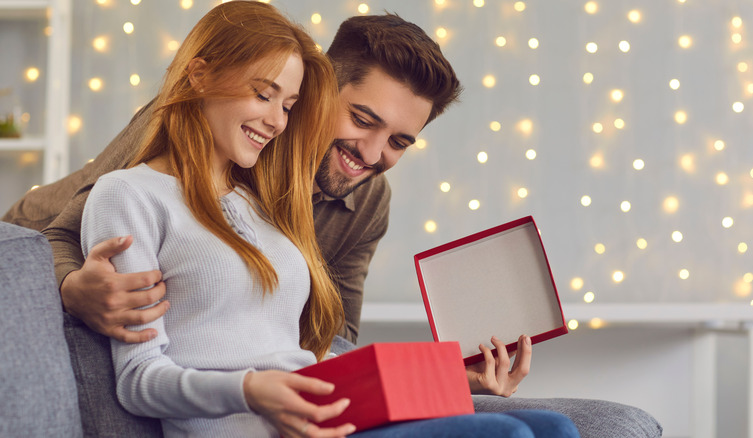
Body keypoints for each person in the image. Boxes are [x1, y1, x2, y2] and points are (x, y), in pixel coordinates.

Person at [2, 6, 661, 438]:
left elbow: (329, 331)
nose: (372, 155)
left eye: (399, 142)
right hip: (36, 237)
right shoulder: (198, 141)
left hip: (277, 390)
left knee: (553, 428)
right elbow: (70, 225)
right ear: (326, 91)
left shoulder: (336, 199)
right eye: (363, 121)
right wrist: (71, 289)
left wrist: (447, 379)